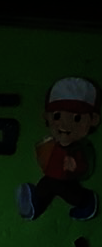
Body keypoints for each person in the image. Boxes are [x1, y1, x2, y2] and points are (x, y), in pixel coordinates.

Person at [17, 76, 100, 222]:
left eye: (76, 118)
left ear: (93, 120)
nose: (65, 124)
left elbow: (86, 166)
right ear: (47, 117)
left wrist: (76, 166)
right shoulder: (53, 142)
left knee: (65, 190)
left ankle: (86, 202)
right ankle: (34, 205)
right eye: (57, 116)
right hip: (53, 175)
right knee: (47, 185)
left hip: (65, 178)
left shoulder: (80, 147)